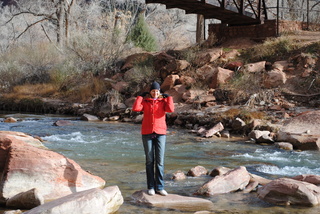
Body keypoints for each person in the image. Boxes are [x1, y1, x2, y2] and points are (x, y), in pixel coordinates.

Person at [132, 81, 174, 196]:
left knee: (160, 161)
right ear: (150, 92)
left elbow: (170, 110)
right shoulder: (145, 102)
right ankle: (150, 187)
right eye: (153, 91)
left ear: (159, 91)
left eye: (157, 91)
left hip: (160, 133)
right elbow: (136, 108)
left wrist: (169, 97)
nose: (155, 93)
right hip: (147, 133)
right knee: (150, 160)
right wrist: (140, 96)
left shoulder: (163, 101)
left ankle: (160, 187)